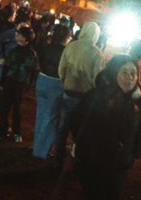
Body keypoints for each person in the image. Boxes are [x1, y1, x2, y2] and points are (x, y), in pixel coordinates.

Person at [68, 54, 141, 200]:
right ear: (114, 73)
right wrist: (87, 153)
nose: (130, 77)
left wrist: (135, 152)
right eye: (124, 72)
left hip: (121, 163)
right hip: (94, 163)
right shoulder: (96, 97)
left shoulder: (138, 100)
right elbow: (77, 124)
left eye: (133, 73)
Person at [56, 20, 105, 173]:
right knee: (81, 133)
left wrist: (66, 82)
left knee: (62, 131)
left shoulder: (70, 46)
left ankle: (57, 160)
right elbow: (98, 79)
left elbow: (61, 70)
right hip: (85, 99)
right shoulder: (97, 53)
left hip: (68, 94)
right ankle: (77, 162)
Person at [0, 25, 39, 142]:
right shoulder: (23, 52)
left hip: (19, 84)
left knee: (15, 109)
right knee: (6, 108)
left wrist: (28, 84)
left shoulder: (30, 54)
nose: (16, 36)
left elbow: (34, 70)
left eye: (20, 35)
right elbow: (7, 67)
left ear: (26, 39)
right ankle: (5, 131)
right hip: (12, 82)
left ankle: (14, 132)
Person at [32, 24, 70, 159]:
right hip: (55, 83)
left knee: (41, 115)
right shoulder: (66, 52)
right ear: (66, 37)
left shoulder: (45, 48)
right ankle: (42, 151)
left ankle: (37, 146)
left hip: (42, 80)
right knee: (51, 118)